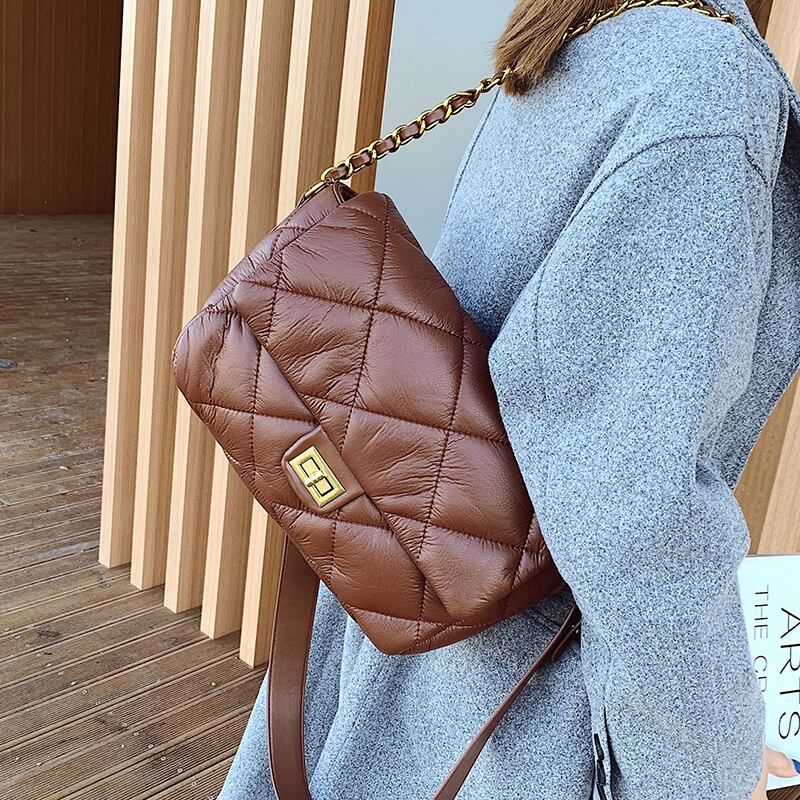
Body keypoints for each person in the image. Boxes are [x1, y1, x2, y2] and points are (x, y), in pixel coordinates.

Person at [217, 0, 800, 797]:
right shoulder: (705, 84)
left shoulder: (585, 34)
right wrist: (707, 768)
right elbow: (633, 511)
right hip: (522, 709)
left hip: (423, 611)